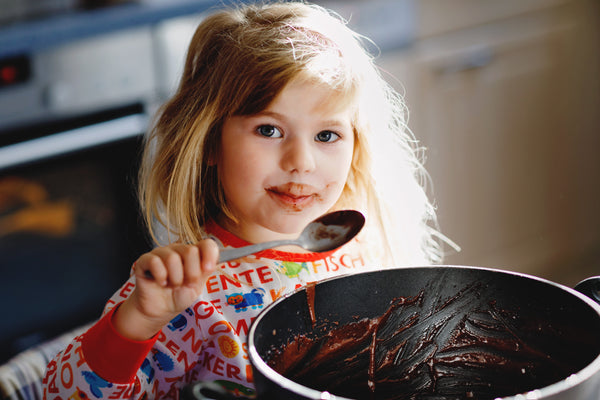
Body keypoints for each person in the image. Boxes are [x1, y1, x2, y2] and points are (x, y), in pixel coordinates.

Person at [43, 1, 443, 399]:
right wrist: (138, 322)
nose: (300, 163)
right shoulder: (181, 294)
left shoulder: (370, 249)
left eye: (326, 136)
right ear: (209, 143)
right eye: (268, 130)